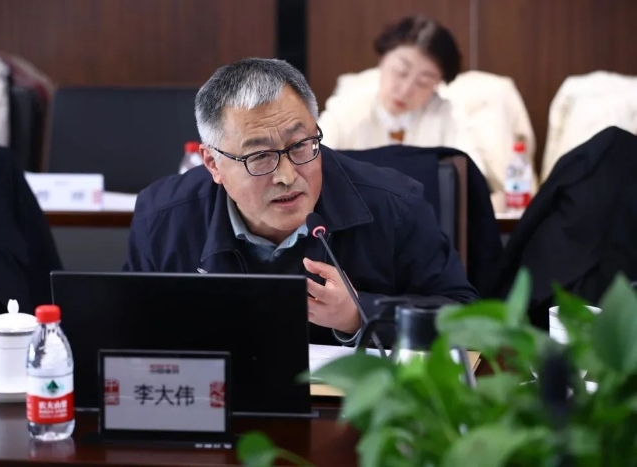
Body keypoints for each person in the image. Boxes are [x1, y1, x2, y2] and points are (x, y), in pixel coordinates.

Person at [123, 57, 478, 346]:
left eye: (300, 146)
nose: (287, 175)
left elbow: (467, 320)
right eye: (260, 156)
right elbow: (130, 327)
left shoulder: (395, 205)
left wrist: (361, 314)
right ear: (213, 163)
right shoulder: (163, 217)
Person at [317, 15, 485, 175]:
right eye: (401, 72)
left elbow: (471, 175)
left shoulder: (446, 114)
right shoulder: (349, 104)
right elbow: (313, 159)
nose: (405, 90)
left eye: (423, 82)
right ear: (383, 59)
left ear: (437, 84)